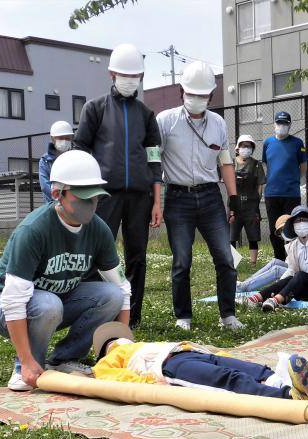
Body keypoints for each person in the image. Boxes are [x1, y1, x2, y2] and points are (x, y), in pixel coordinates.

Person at [0, 150, 132, 392]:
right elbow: (13, 300)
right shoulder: (33, 230)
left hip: (55, 298)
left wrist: (124, 345)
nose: (90, 205)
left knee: (110, 296)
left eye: (95, 198)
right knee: (48, 305)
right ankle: (27, 366)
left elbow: (122, 288)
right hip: (1, 305)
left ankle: (62, 359)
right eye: (82, 198)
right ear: (57, 194)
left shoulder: (99, 230)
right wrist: (26, 361)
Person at [74, 43, 162, 329]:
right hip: (103, 195)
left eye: (135, 75)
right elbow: (80, 148)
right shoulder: (95, 108)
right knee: (97, 252)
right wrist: (83, 191)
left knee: (137, 255)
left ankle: (131, 316)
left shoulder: (146, 114)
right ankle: (92, 308)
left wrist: (157, 201)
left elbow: (154, 158)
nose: (130, 80)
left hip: (140, 196)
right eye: (125, 74)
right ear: (111, 73)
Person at [156, 61, 243, 331]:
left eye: (202, 95)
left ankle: (228, 315)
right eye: (191, 93)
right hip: (177, 197)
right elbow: (153, 161)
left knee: (226, 259)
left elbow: (226, 161)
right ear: (181, 92)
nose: (196, 99)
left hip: (209, 197)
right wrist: (155, 200)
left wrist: (234, 197)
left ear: (211, 96)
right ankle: (183, 316)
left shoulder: (218, 123)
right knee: (182, 261)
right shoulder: (165, 121)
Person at [91, 322, 308, 402]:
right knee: (225, 380)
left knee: (238, 367)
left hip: (184, 351)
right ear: (105, 349)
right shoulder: (108, 360)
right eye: (112, 341)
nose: (118, 341)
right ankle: (286, 396)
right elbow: (113, 379)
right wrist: (149, 384)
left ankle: (280, 378)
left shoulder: (140, 344)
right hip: (168, 367)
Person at [239, 205, 308, 312]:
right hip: (307, 286)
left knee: (300, 276)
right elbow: (291, 271)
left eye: (304, 219)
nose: (301, 223)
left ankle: (275, 301)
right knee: (290, 277)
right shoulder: (293, 246)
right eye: (297, 220)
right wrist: (281, 287)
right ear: (292, 225)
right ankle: (255, 299)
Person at [262, 111, 307, 261]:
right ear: (274, 124)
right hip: (271, 194)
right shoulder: (267, 143)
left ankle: (293, 260)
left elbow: (303, 166)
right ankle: (279, 260)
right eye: (279, 123)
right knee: (274, 229)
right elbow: (266, 164)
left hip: (291, 194)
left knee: (292, 227)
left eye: (285, 124)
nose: (282, 126)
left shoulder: (297, 143)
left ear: (289, 125)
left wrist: (292, 179)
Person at [231, 134, 266, 265]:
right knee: (231, 236)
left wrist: (256, 202)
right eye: (244, 146)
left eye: (249, 146)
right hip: (234, 205)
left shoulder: (257, 165)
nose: (247, 148)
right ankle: (232, 262)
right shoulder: (230, 163)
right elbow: (226, 183)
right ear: (238, 148)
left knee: (253, 236)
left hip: (251, 206)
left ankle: (253, 263)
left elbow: (260, 185)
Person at [236, 214, 291, 293]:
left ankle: (244, 287)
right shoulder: (290, 241)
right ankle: (246, 283)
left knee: (277, 270)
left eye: (285, 229)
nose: (283, 233)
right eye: (281, 231)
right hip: (296, 269)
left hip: (303, 275)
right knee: (275, 262)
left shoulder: (299, 240)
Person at [39, 120, 74, 204]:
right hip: (52, 204)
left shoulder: (75, 157)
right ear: (53, 139)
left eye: (67, 138)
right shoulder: (45, 160)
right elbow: (45, 186)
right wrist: (59, 198)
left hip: (73, 204)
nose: (65, 141)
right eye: (61, 138)